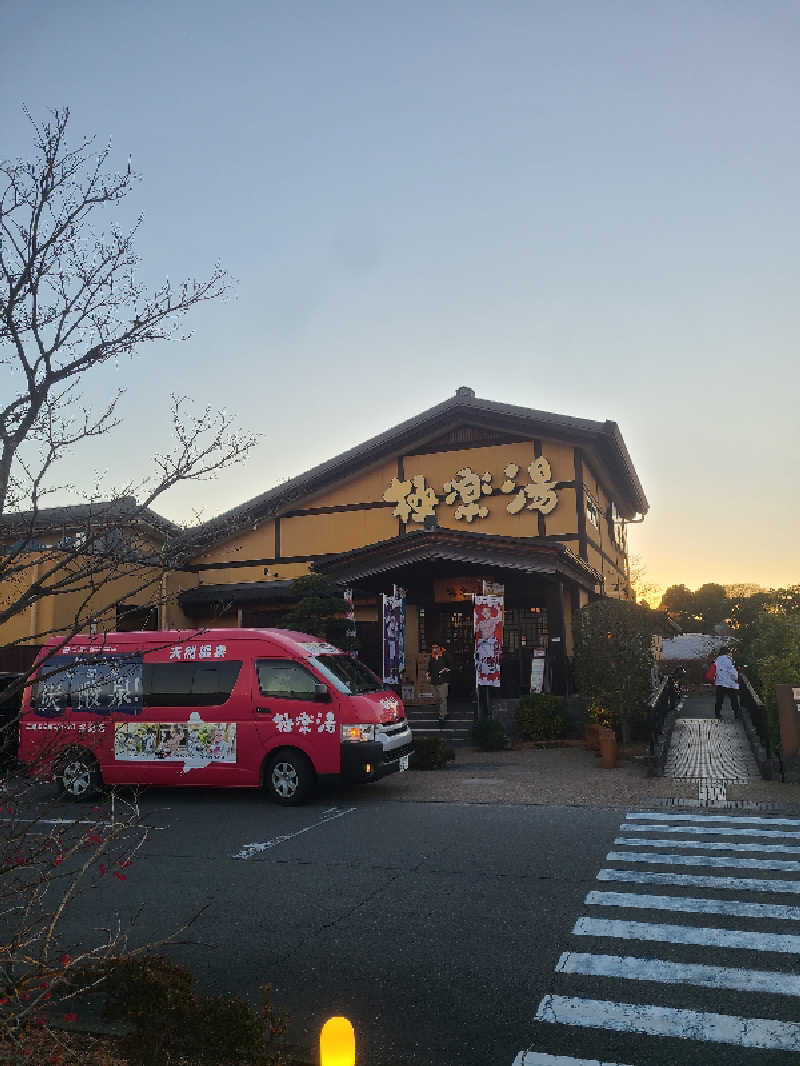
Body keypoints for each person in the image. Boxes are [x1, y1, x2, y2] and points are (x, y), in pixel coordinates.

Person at [427, 643, 451, 727]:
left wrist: (445, 671)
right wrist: (428, 674)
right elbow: (429, 667)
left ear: (439, 648)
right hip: (434, 681)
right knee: (437, 698)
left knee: (442, 698)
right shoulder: (432, 656)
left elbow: (450, 666)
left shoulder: (445, 655)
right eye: (432, 648)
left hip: (443, 681)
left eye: (436, 648)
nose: (434, 649)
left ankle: (442, 716)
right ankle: (445, 712)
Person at [713, 647, 740, 720]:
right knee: (734, 699)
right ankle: (737, 715)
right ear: (726, 652)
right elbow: (732, 671)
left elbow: (715, 671)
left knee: (719, 700)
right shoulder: (728, 659)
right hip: (729, 683)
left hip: (719, 682)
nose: (731, 653)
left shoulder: (717, 660)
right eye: (730, 652)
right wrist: (736, 679)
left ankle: (717, 714)